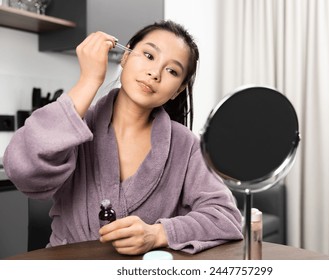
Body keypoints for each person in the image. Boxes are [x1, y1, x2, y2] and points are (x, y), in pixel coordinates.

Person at [4, 20, 243, 255]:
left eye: (172, 71)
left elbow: (226, 217)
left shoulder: (185, 144)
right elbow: (22, 169)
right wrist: (89, 81)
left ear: (178, 89)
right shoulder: (74, 128)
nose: (155, 73)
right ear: (126, 56)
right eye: (149, 56)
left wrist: (158, 234)